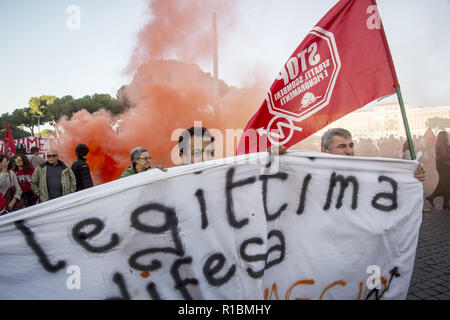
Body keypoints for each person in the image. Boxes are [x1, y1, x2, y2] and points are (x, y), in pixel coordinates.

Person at [320, 128, 426, 182]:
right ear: (325, 150)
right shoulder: (313, 176)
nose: (349, 151)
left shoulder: (364, 171)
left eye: (351, 145)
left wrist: (410, 175)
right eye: (342, 146)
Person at [426, 131, 450, 210]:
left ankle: (445, 203)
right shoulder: (443, 145)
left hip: (442, 166)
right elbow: (445, 156)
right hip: (444, 166)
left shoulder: (439, 145)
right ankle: (432, 197)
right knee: (445, 185)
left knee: (445, 185)